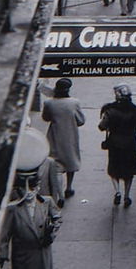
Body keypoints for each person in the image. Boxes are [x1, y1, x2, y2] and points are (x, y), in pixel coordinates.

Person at [0, 155, 57, 269]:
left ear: (37, 188)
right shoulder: (13, 209)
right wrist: (2, 254)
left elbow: (57, 218)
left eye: (32, 188)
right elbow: (5, 235)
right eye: (25, 189)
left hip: (40, 251)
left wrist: (51, 232)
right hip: (22, 253)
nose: (29, 193)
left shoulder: (46, 203)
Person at [41, 78, 86, 210]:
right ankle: (69, 187)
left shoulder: (49, 103)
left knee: (57, 168)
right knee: (70, 162)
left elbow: (46, 117)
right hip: (70, 136)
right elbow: (81, 120)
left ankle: (59, 195)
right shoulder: (74, 102)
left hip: (54, 136)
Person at [100, 85, 136, 208]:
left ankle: (117, 191)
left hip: (115, 143)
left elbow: (102, 126)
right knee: (128, 171)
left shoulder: (110, 110)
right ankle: (127, 195)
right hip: (131, 143)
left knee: (113, 169)